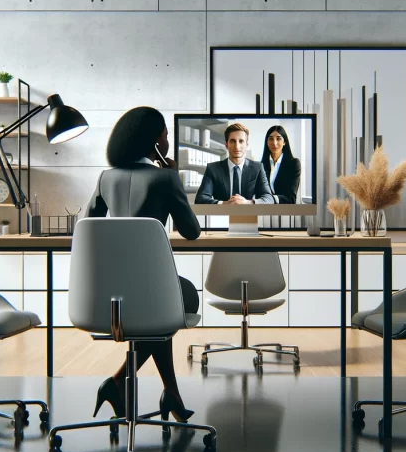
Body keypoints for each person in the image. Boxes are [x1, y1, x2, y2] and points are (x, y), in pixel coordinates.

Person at [85, 106, 199, 423]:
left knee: (161, 306)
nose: (167, 139)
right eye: (165, 134)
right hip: (151, 291)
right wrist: (174, 177)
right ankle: (119, 381)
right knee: (179, 298)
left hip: (110, 296)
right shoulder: (165, 178)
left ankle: (170, 393)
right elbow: (191, 232)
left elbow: (86, 228)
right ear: (155, 141)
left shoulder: (106, 179)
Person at [194, 122, 276, 205]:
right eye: (232, 141)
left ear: (246, 145)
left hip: (249, 216)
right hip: (221, 216)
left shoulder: (257, 168)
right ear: (226, 145)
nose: (237, 146)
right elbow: (200, 199)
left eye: (241, 141)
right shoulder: (213, 168)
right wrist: (224, 203)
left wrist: (247, 202)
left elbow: (269, 198)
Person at [261, 125, 302, 204]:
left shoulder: (293, 164)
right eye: (271, 139)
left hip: (285, 212)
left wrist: (269, 199)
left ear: (284, 142)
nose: (274, 143)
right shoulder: (260, 165)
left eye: (278, 139)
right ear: (267, 142)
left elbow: (291, 198)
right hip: (263, 211)